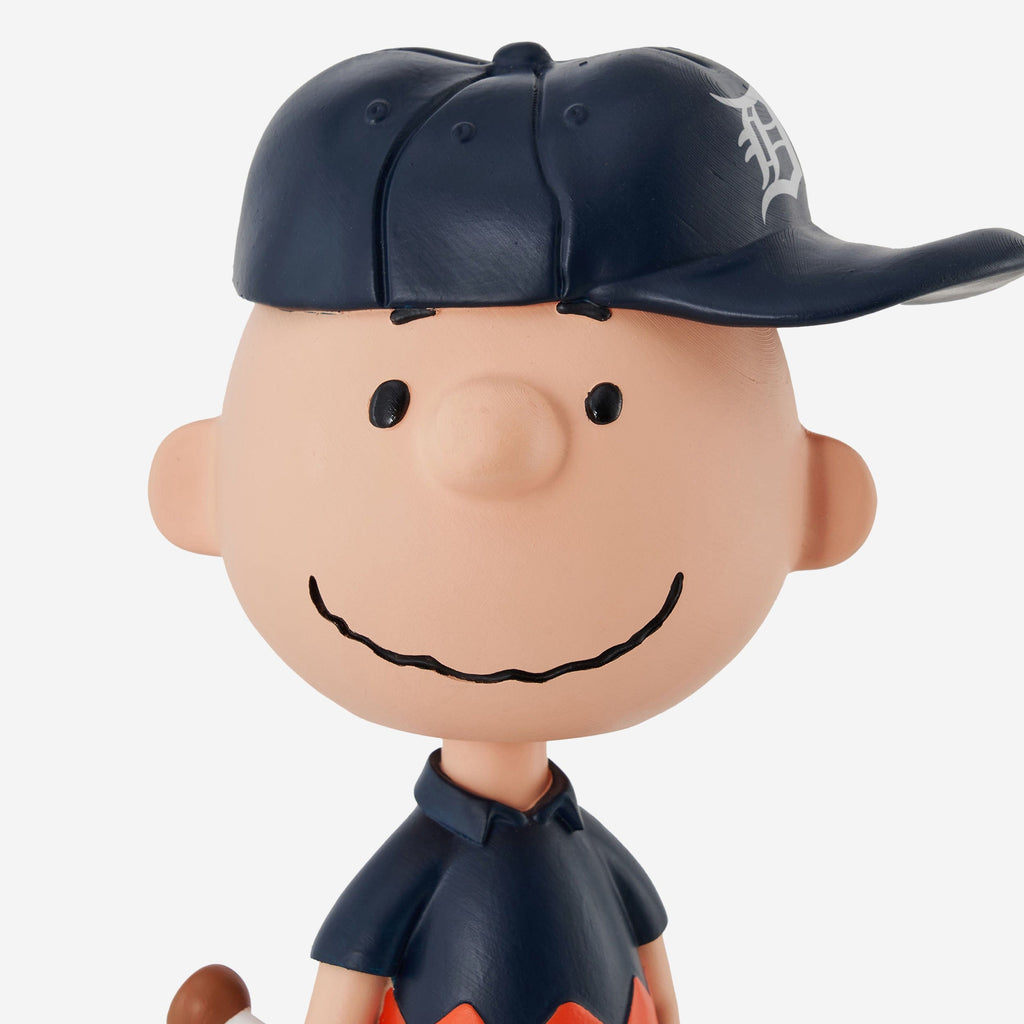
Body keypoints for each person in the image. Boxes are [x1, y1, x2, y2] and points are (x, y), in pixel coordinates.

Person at [150, 42, 1024, 1024]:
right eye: (387, 402)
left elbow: (650, 962)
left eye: (606, 402)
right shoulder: (432, 867)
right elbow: (349, 989)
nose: (489, 449)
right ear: (200, 487)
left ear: (818, 501)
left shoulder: (585, 850)